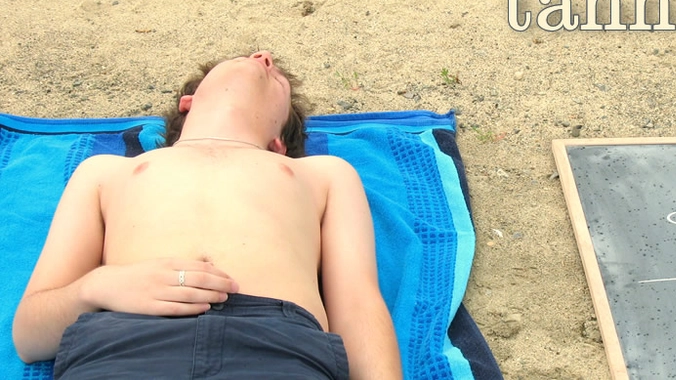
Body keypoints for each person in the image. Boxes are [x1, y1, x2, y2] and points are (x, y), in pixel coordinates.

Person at [12, 51, 402, 379]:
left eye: (278, 79)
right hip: (123, 342)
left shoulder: (322, 173)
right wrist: (97, 287)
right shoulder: (104, 172)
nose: (264, 57)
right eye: (252, 60)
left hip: (278, 346)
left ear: (278, 143)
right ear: (189, 101)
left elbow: (357, 305)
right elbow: (30, 334)